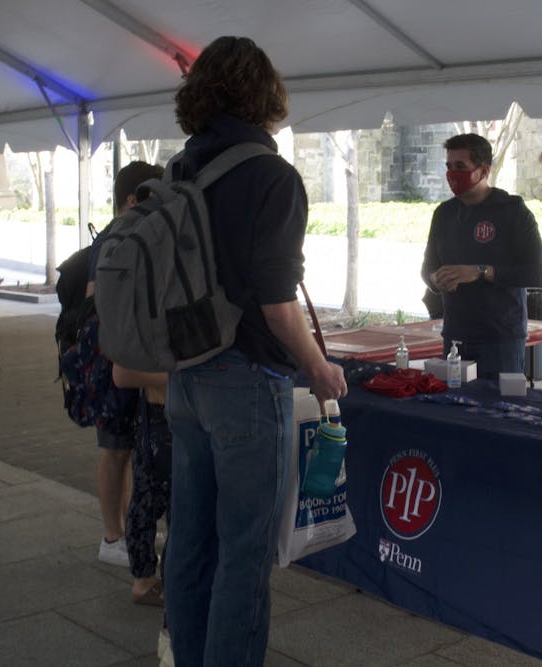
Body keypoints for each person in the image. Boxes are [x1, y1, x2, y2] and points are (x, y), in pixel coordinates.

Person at [163, 36, 347, 666]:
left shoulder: (178, 170)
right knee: (245, 552)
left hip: (184, 376)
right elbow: (276, 302)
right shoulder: (271, 177)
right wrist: (318, 367)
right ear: (267, 96)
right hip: (244, 380)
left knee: (189, 545)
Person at [86, 160, 165, 568]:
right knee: (115, 448)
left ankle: (130, 531)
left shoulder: (126, 235)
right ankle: (111, 535)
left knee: (132, 448)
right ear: (132, 199)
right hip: (112, 359)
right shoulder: (115, 239)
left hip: (122, 355)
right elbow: (98, 300)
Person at [420, 133, 542, 378]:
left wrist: (481, 271)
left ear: (483, 170)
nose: (452, 173)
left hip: (501, 340)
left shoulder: (513, 211)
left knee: (501, 411)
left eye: (460, 166)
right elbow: (427, 268)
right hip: (455, 337)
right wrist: (436, 279)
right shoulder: (444, 214)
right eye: (449, 166)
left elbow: (538, 274)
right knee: (454, 410)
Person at [112, 366, 170, 607]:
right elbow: (123, 373)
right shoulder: (146, 328)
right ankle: (145, 580)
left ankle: (149, 578)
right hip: (158, 415)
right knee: (148, 500)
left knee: (151, 497)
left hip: (158, 414)